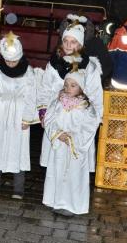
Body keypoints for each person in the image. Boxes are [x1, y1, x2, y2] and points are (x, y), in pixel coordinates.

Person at [38, 17, 103, 173]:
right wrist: (43, 111)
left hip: (78, 121)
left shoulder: (89, 67)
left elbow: (95, 94)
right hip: (57, 118)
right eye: (65, 41)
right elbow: (45, 88)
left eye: (73, 42)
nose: (68, 45)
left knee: (75, 164)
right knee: (57, 162)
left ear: (80, 45)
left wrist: (96, 118)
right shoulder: (53, 64)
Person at [0, 32, 40, 199]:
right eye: (8, 60)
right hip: (0, 111)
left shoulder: (28, 71)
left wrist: (28, 118)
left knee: (18, 149)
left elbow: (31, 94)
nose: (11, 63)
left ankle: (18, 188)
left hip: (19, 113)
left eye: (14, 61)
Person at [42, 70, 100, 216]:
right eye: (66, 85)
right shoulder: (57, 102)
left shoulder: (87, 107)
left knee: (74, 175)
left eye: (73, 85)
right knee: (58, 172)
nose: (69, 88)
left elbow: (89, 126)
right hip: (60, 144)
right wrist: (58, 134)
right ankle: (56, 201)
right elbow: (49, 119)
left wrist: (73, 138)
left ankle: (72, 205)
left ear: (81, 88)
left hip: (75, 147)